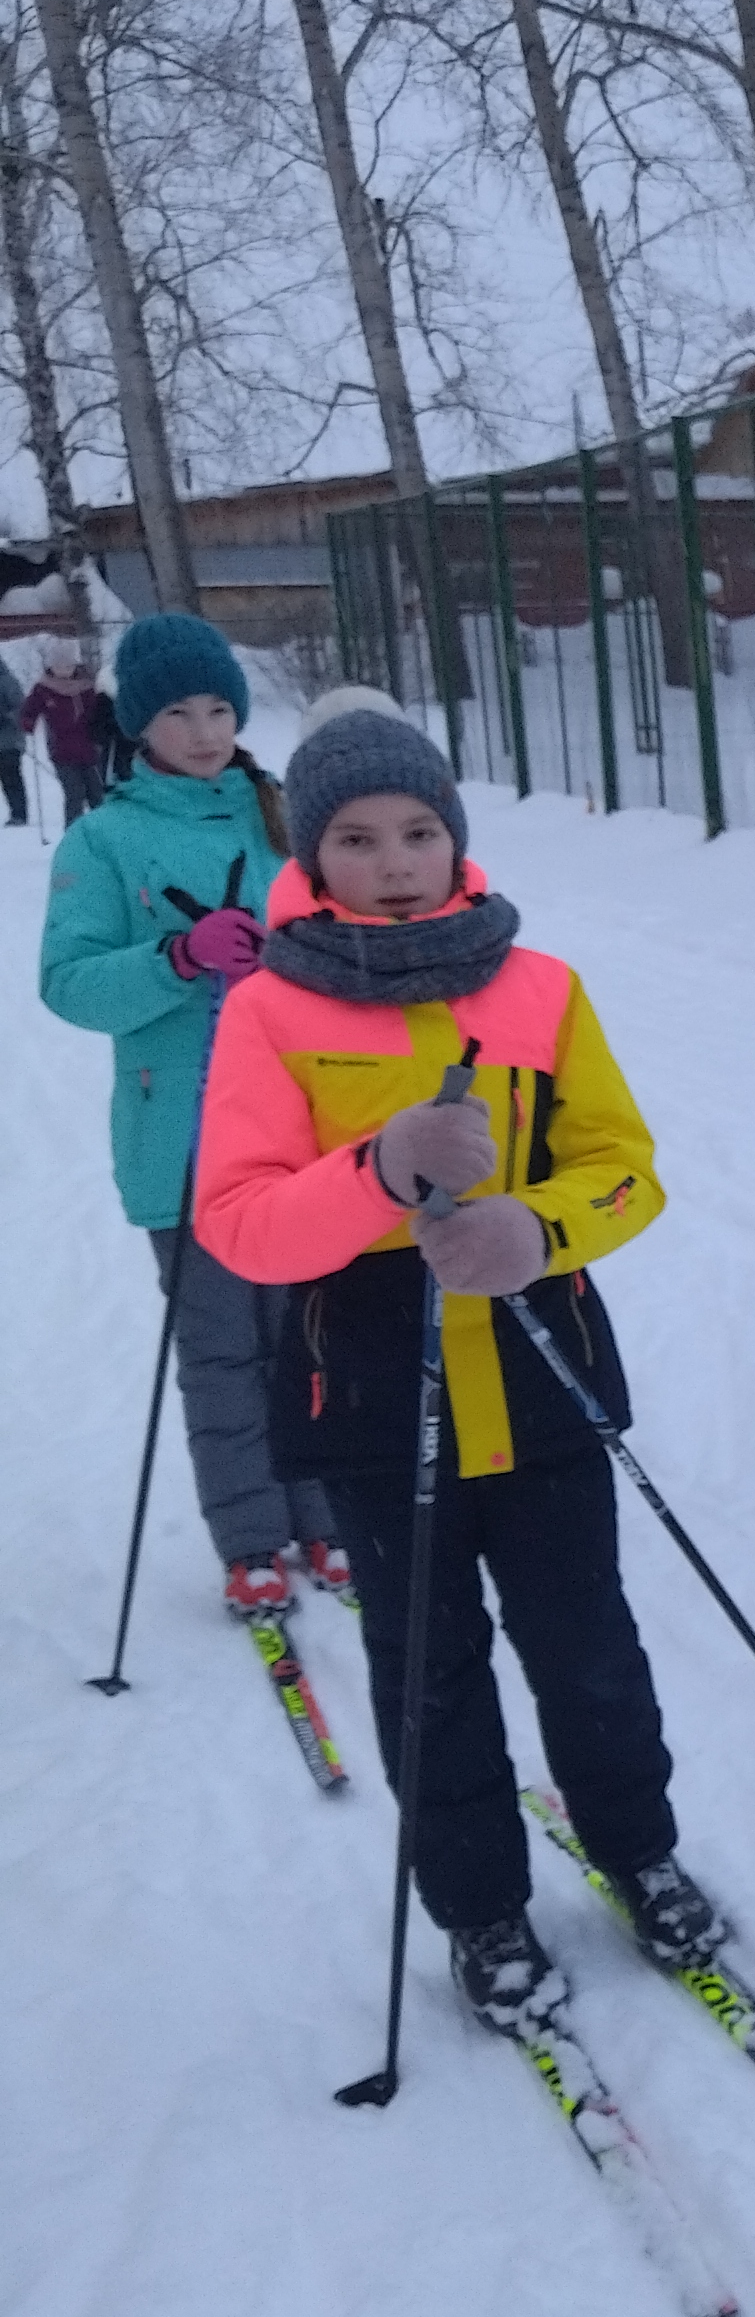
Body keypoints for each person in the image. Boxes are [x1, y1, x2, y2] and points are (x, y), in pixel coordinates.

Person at [193, 690, 725, 2021]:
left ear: (456, 836)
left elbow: (625, 1167)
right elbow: (239, 1222)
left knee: (589, 1648)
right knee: (428, 1670)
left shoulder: (539, 987)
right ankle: (480, 1905)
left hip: (543, 1373)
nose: (393, 862)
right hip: (372, 1393)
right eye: (358, 839)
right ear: (315, 853)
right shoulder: (268, 1010)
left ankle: (639, 1852)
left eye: (418, 832)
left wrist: (536, 1226)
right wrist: (378, 1172)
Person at [37, 609, 343, 1616]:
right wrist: (175, 959)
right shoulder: (102, 839)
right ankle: (251, 1538)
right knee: (222, 1352)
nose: (205, 731)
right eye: (178, 712)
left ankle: (325, 1511)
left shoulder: (284, 817)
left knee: (311, 1339)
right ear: (139, 721)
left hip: (297, 1134)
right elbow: (68, 984)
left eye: (220, 707)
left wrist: (298, 961)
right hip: (182, 1139)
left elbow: (346, 938)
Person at [24, 644, 116, 827]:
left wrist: (106, 725)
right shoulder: (43, 689)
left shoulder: (87, 686)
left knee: (96, 793)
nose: (64, 671)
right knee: (74, 793)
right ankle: (74, 833)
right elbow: (29, 709)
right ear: (51, 667)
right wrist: (28, 721)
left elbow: (100, 710)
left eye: (68, 666)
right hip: (61, 750)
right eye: (59, 667)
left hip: (89, 748)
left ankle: (103, 830)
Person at [0, 650, 26, 827]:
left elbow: (21, 709)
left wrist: (5, 717)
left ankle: (19, 814)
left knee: (10, 778)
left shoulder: (7, 681)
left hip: (9, 740)